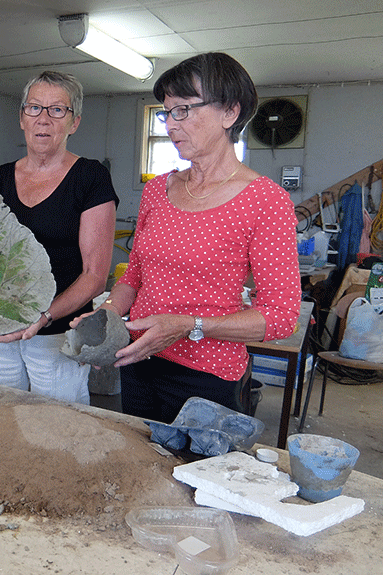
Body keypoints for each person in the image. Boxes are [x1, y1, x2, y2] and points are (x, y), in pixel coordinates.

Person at [74, 52, 301, 423]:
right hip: (139, 360)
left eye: (184, 110)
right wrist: (109, 313)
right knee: (146, 466)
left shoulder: (264, 200)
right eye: (166, 112)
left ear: (230, 112)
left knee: (193, 475)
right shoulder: (158, 190)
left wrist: (188, 325)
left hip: (207, 377)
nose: (171, 125)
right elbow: (134, 276)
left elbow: (280, 318)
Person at [0, 71, 118, 404]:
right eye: (34, 108)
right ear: (22, 118)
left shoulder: (90, 178)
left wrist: (43, 316)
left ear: (74, 122)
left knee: (57, 431)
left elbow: (94, 276)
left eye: (57, 110)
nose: (44, 119)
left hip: (56, 335)